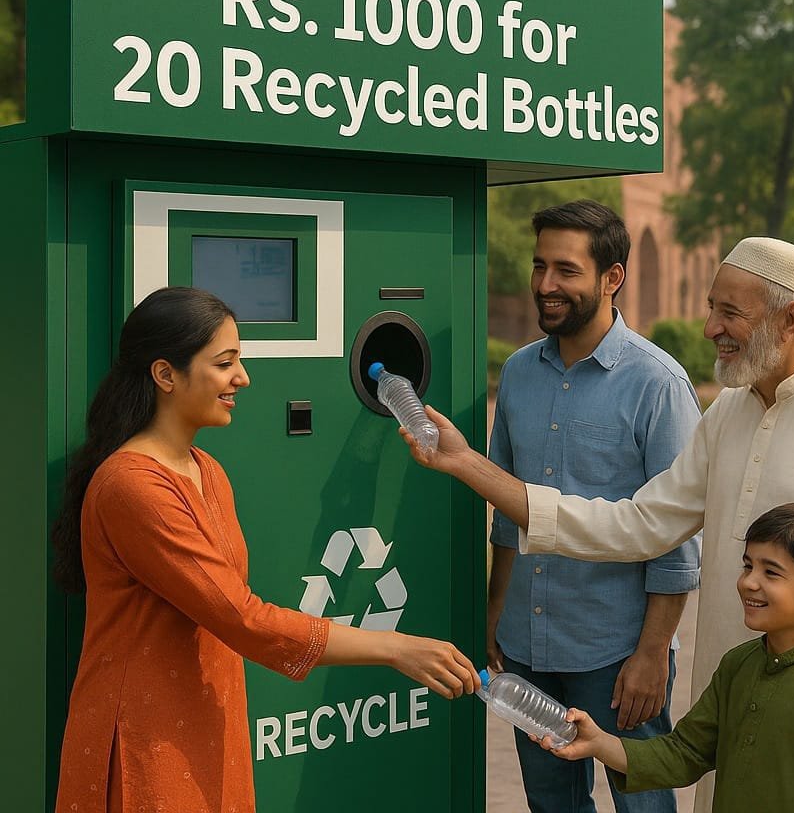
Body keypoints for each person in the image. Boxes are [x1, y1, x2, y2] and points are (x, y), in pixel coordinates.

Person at [401, 236, 794, 813]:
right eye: (711, 308)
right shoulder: (727, 413)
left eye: (729, 312)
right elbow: (640, 524)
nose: (709, 328)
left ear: (792, 318)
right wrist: (469, 465)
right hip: (732, 687)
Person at [50, 286, 478, 813]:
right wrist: (396, 648)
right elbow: (241, 616)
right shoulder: (133, 487)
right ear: (165, 375)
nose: (243, 378)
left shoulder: (206, 472)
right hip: (147, 735)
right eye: (225, 363)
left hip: (208, 718)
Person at [488, 200, 702, 813]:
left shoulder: (659, 386)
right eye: (539, 267)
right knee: (552, 804)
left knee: (644, 803)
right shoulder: (521, 373)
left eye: (566, 270)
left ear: (613, 278)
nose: (546, 286)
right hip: (528, 645)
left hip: (616, 650)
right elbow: (509, 506)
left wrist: (653, 652)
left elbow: (677, 539)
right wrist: (496, 611)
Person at [538, 504, 794, 813]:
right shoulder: (738, 665)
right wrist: (599, 743)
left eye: (771, 573)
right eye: (748, 566)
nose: (749, 582)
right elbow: (684, 753)